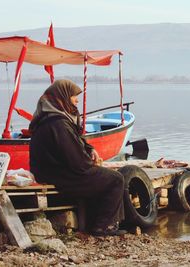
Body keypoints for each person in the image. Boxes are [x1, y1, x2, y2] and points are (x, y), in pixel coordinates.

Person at [29, 79, 126, 236]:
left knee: (105, 176)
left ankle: (98, 223)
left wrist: (90, 149)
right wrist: (93, 164)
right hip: (60, 176)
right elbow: (78, 163)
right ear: (63, 97)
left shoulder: (49, 119)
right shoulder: (59, 124)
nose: (77, 100)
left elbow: (75, 141)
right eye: (74, 96)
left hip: (51, 172)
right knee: (116, 179)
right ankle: (103, 227)